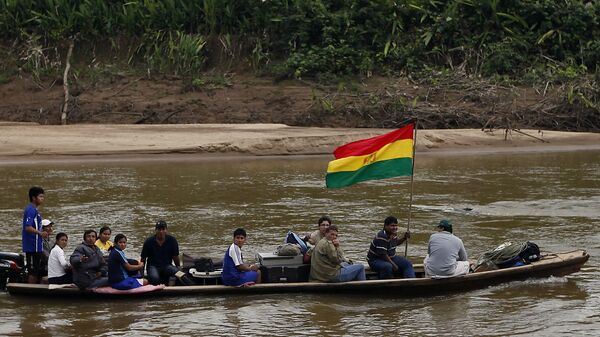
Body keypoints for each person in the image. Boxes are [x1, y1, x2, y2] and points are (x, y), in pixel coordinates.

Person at [141, 220, 181, 285]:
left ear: (166, 230)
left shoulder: (172, 240)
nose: (161, 231)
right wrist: (142, 274)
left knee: (180, 274)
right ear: (155, 230)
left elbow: (175, 256)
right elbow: (143, 258)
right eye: (159, 229)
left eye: (163, 229)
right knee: (154, 279)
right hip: (153, 266)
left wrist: (178, 267)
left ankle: (192, 286)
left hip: (167, 266)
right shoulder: (148, 242)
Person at [22, 186, 48, 284]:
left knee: (36, 270)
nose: (42, 199)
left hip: (37, 246)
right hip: (32, 246)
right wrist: (40, 233)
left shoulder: (35, 210)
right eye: (40, 196)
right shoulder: (31, 210)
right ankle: (29, 290)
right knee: (32, 272)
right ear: (34, 198)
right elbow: (27, 227)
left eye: (43, 196)